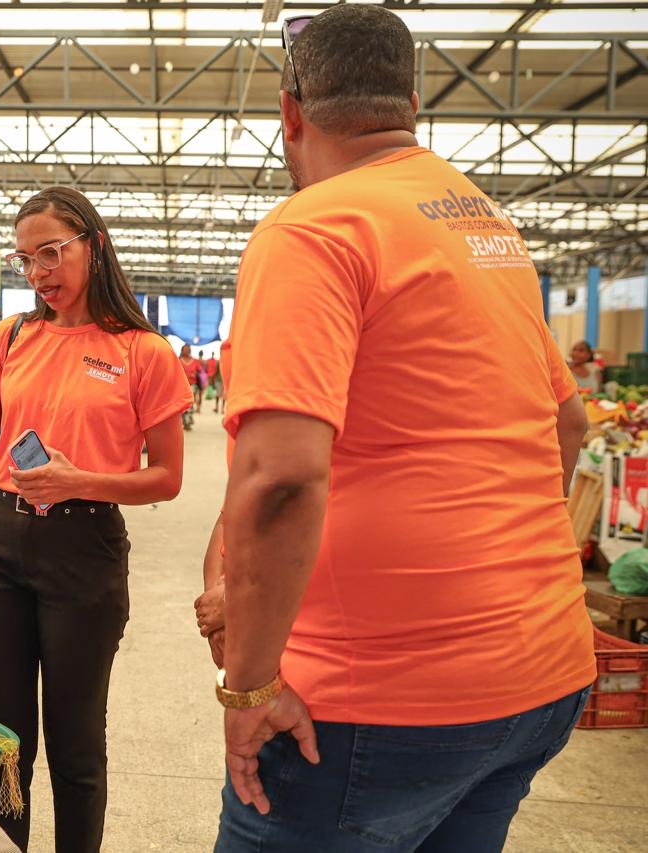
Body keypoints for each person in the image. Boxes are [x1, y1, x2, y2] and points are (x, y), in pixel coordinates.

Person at [203, 7, 595, 852]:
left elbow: (280, 479)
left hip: (376, 702)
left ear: (291, 112)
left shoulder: (313, 226)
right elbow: (568, 421)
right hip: (540, 671)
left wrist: (250, 688)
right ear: (412, 104)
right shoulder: (487, 226)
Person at [0, 186, 192, 852]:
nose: (39, 272)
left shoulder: (142, 351)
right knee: (0, 740)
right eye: (26, 260)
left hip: (85, 547)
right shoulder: (10, 336)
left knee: (76, 745)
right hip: (0, 545)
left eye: (51, 252)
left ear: (92, 247)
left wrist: (81, 478)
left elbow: (168, 476)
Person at [179, 344, 204, 413]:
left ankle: (190, 410)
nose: (186, 351)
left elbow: (200, 372)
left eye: (188, 349)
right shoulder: (178, 360)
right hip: (181, 385)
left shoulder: (195, 361)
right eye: (185, 349)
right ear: (182, 350)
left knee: (191, 397)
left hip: (193, 384)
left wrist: (196, 374)